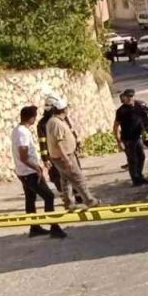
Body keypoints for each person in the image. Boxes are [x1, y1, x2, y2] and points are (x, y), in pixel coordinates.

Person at [12, 106, 66, 239]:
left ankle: (34, 227)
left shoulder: (17, 130)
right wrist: (36, 168)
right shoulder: (23, 133)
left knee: (30, 199)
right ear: (31, 118)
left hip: (23, 172)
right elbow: (23, 155)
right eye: (34, 116)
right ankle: (54, 227)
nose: (35, 119)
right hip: (30, 172)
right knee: (49, 196)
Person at [44, 95, 98, 209]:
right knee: (78, 178)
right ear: (63, 109)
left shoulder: (55, 121)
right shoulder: (56, 123)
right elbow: (58, 143)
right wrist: (67, 159)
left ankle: (69, 203)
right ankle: (89, 200)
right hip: (64, 156)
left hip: (61, 156)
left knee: (66, 180)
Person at [113, 90, 148, 185]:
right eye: (128, 96)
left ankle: (139, 176)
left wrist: (146, 131)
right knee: (132, 160)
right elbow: (115, 127)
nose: (130, 98)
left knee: (141, 157)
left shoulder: (138, 106)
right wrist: (119, 142)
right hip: (127, 139)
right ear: (125, 97)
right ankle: (135, 180)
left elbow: (145, 116)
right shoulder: (121, 111)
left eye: (132, 96)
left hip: (137, 137)